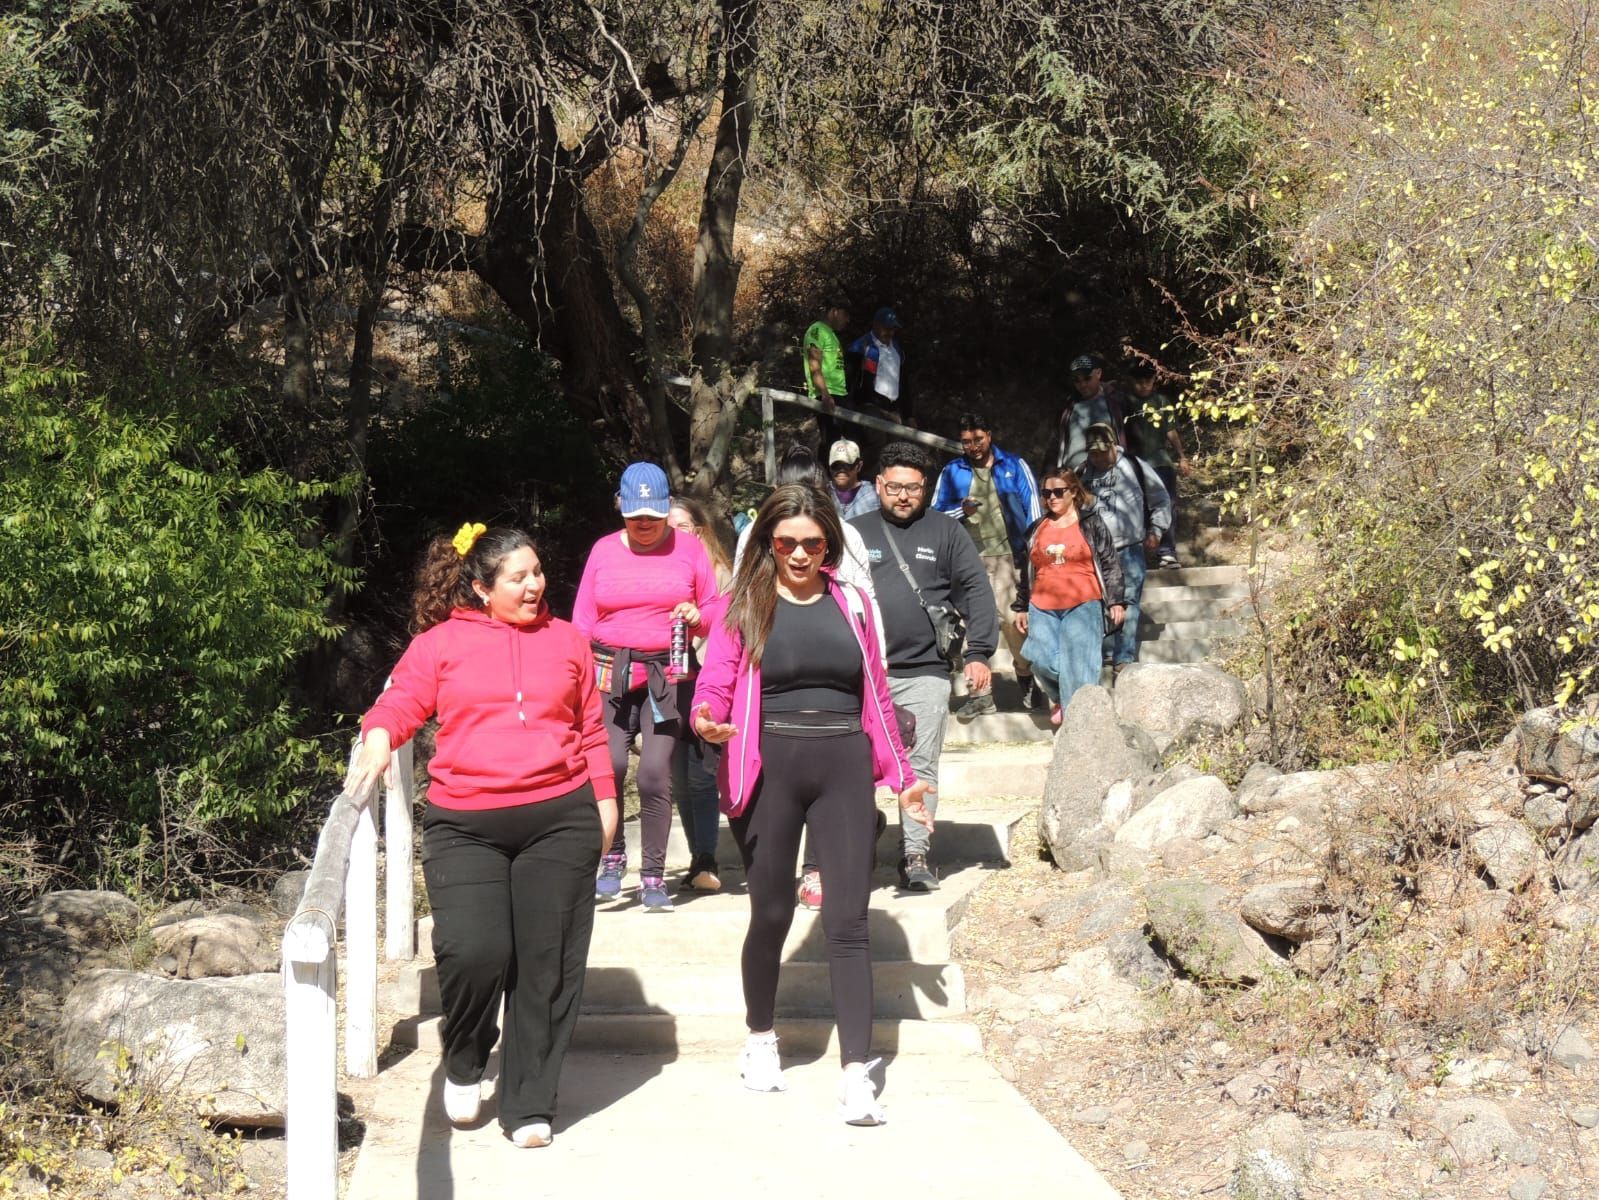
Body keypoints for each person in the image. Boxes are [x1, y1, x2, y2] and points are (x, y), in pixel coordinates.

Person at [348, 524, 618, 1149]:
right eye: (517, 577)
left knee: (547, 966)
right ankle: (467, 1054)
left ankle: (529, 1104)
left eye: (538, 572)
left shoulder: (569, 642)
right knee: (475, 952)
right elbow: (401, 701)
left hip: (560, 817)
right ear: (480, 587)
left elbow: (590, 730)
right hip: (466, 822)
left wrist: (605, 800)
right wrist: (380, 736)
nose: (533, 585)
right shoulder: (439, 645)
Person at [691, 484, 930, 1126]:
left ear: (831, 542)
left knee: (848, 920)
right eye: (786, 541)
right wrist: (707, 716)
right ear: (768, 541)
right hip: (768, 765)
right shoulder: (746, 603)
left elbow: (875, 693)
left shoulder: (852, 602)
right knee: (770, 910)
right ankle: (760, 1038)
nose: (799, 554)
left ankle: (857, 1073)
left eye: (812, 542)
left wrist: (903, 775)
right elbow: (715, 681)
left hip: (844, 764)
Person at [850, 441, 998, 891]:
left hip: (926, 671)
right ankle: (860, 832)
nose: (902, 496)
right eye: (893, 486)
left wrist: (979, 653)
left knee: (920, 765)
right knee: (855, 765)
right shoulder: (851, 532)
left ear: (926, 489)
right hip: (861, 674)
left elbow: (976, 589)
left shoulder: (947, 533)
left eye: (913, 488)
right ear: (877, 484)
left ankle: (915, 855)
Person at [574, 462, 720, 911]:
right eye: (635, 516)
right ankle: (612, 855)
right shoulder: (601, 550)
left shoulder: (690, 550)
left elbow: (714, 605)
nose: (643, 525)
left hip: (667, 675)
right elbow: (581, 620)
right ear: (620, 507)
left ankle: (654, 873)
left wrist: (698, 618)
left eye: (653, 517)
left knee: (656, 773)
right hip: (609, 673)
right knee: (610, 764)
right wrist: (574, 679)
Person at [931, 413, 1043, 716]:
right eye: (966, 441)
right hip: (966, 560)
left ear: (989, 436)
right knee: (971, 627)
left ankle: (1026, 676)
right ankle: (980, 694)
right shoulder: (952, 471)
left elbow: (1034, 510)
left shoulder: (1014, 466)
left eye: (978, 439)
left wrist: (1035, 553)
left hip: (1009, 557)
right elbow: (935, 517)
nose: (973, 446)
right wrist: (960, 511)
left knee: (1013, 622)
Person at [1012, 469, 1127, 725]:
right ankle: (1064, 699)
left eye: (1058, 492)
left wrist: (1116, 600)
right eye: (1046, 493)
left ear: (1073, 492)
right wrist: (1021, 606)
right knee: (1040, 660)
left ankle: (1080, 724)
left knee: (1081, 667)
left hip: (1084, 601)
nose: (1051, 498)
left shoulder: (1091, 522)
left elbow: (1110, 562)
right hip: (1041, 604)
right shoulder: (1036, 528)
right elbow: (1027, 570)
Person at [667, 497, 734, 893]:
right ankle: (697, 858)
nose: (673, 535)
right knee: (678, 776)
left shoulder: (721, 574)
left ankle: (707, 856)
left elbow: (725, 636)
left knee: (700, 775)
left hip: (707, 683)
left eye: (681, 527)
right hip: (669, 684)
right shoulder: (656, 571)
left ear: (701, 530)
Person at [1075, 422, 1172, 677]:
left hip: (1129, 547)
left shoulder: (1135, 466)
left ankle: (1124, 656)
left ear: (1112, 446)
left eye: (1101, 452)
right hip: (1095, 552)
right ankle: (1106, 651)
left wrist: (1156, 530)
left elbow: (1161, 498)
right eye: (1092, 452)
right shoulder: (1083, 472)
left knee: (1128, 601)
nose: (1096, 457)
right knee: (1100, 602)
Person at [1122, 362, 1192, 569]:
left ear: (1154, 382)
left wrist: (1182, 456)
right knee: (1136, 506)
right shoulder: (1125, 403)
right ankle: (1139, 553)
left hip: (1161, 461)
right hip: (1134, 463)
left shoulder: (1161, 402)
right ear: (1132, 382)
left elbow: (1171, 431)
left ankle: (1167, 552)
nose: (1143, 386)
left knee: (1167, 504)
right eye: (1139, 382)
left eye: (1148, 381)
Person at [1055, 353, 1125, 471]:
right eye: (1077, 380)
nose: (1082, 384)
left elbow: (1129, 441)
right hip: (1074, 477)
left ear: (1098, 373)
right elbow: (1058, 444)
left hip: (1108, 476)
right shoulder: (1069, 406)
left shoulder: (1116, 402)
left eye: (1087, 378)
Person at [847, 306, 911, 427]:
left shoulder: (897, 349)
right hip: (869, 407)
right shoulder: (861, 346)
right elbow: (849, 378)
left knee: (895, 445)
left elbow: (904, 382)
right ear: (876, 325)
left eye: (893, 329)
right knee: (876, 441)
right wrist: (848, 404)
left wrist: (908, 414)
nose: (890, 333)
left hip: (893, 410)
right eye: (886, 328)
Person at [803, 301, 851, 449]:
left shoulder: (831, 334)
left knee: (842, 441)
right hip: (828, 394)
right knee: (831, 442)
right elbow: (814, 364)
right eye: (846, 315)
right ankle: (825, 471)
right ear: (834, 311)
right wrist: (824, 393)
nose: (847, 320)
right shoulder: (817, 331)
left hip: (839, 393)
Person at [827, 438, 881, 522]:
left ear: (859, 466)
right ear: (830, 466)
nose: (841, 470)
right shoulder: (822, 493)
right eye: (836, 465)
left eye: (847, 465)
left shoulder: (873, 496)